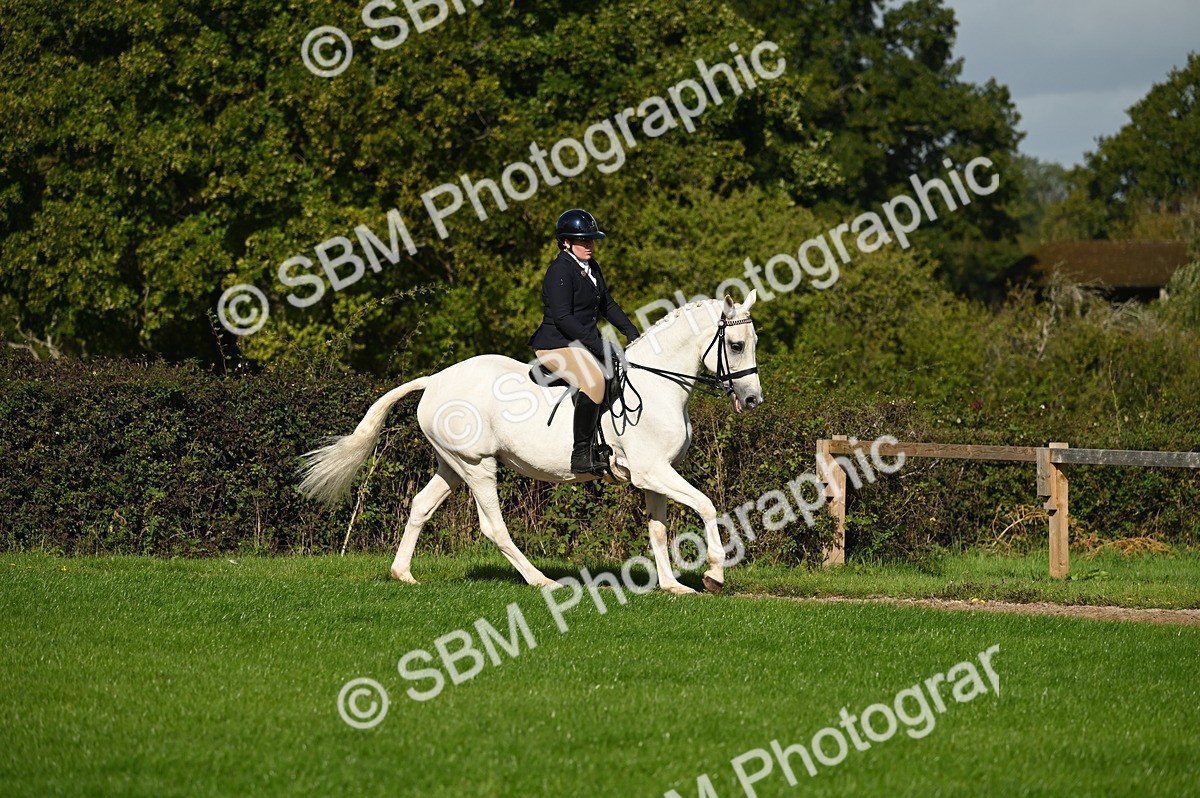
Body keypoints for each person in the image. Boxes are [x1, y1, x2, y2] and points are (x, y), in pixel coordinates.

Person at [529, 209, 641, 475]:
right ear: (566, 242)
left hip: (578, 342)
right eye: (583, 241)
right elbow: (564, 318)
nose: (590, 245)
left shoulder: (591, 268)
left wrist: (631, 331)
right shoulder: (560, 270)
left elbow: (607, 304)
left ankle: (603, 440)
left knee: (619, 372)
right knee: (594, 380)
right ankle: (581, 453)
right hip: (555, 343)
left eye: (591, 240)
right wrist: (599, 345)